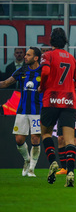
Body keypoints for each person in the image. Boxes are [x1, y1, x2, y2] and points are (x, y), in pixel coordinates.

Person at [38, 27, 76, 187]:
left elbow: (44, 72)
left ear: (51, 40)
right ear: (65, 41)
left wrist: (42, 85)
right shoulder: (71, 58)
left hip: (51, 99)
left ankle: (52, 162)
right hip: (69, 101)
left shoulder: (48, 55)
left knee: (45, 134)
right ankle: (70, 172)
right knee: (70, 139)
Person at [0, 47, 43, 177]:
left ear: (36, 58)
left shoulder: (43, 71)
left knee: (35, 139)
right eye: (25, 55)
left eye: (28, 55)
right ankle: (26, 159)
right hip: (22, 110)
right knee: (19, 140)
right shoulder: (22, 70)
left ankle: (31, 169)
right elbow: (6, 83)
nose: (25, 57)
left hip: (37, 111)